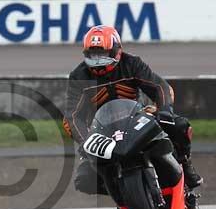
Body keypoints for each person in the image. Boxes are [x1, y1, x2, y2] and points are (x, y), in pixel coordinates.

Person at [64, 25, 203, 195]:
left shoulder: (132, 63)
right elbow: (72, 116)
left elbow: (160, 87)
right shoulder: (78, 76)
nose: (99, 61)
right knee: (84, 180)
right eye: (93, 55)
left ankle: (185, 164)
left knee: (179, 125)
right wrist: (86, 140)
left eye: (103, 54)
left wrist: (165, 110)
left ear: (116, 50)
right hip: (102, 131)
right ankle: (123, 193)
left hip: (138, 117)